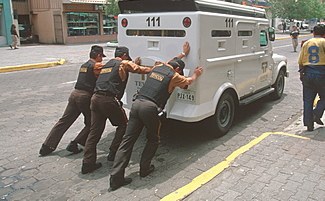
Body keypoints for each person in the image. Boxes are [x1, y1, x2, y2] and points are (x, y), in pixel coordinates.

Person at [108, 54, 203, 191]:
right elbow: (188, 81)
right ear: (177, 69)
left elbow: (169, 61)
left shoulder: (158, 67)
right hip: (150, 108)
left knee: (127, 141)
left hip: (137, 104)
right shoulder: (173, 76)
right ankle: (145, 168)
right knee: (153, 139)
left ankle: (116, 177)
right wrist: (196, 74)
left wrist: (182, 54)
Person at [81, 46, 151, 174]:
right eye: (127, 58)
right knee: (123, 125)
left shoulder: (107, 64)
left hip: (95, 98)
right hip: (108, 99)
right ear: (124, 55)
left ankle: (87, 162)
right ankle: (113, 152)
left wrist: (133, 64)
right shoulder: (123, 63)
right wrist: (156, 68)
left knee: (94, 131)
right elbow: (140, 70)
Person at [39, 45, 105, 156]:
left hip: (74, 94)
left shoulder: (84, 65)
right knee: (92, 123)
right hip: (85, 96)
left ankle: (47, 146)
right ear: (98, 55)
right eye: (101, 57)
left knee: (64, 120)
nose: (102, 59)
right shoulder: (96, 66)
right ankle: (75, 144)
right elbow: (109, 69)